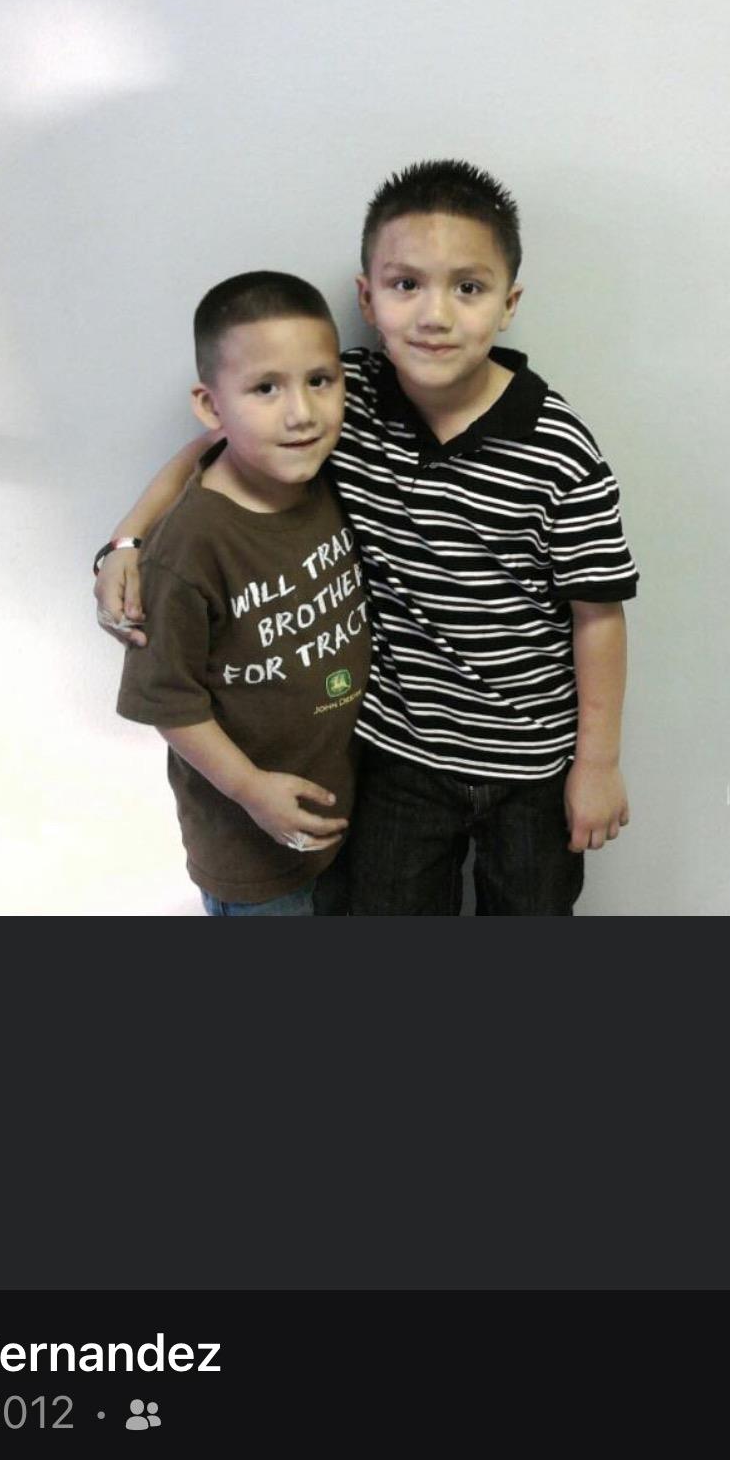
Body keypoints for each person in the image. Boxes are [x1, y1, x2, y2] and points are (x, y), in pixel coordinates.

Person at [98, 164, 637, 914]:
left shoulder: (559, 449)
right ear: (367, 298)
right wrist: (126, 542)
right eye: (406, 284)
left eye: (468, 288)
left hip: (531, 762)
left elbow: (598, 613)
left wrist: (598, 763)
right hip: (395, 756)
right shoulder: (335, 396)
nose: (435, 315)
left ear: (509, 303)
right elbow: (219, 444)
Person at [111, 271, 370, 915]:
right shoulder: (191, 546)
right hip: (247, 844)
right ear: (211, 405)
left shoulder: (327, 473)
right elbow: (168, 700)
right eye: (265, 388)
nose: (302, 413)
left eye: (320, 381)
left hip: (342, 814)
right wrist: (250, 788)